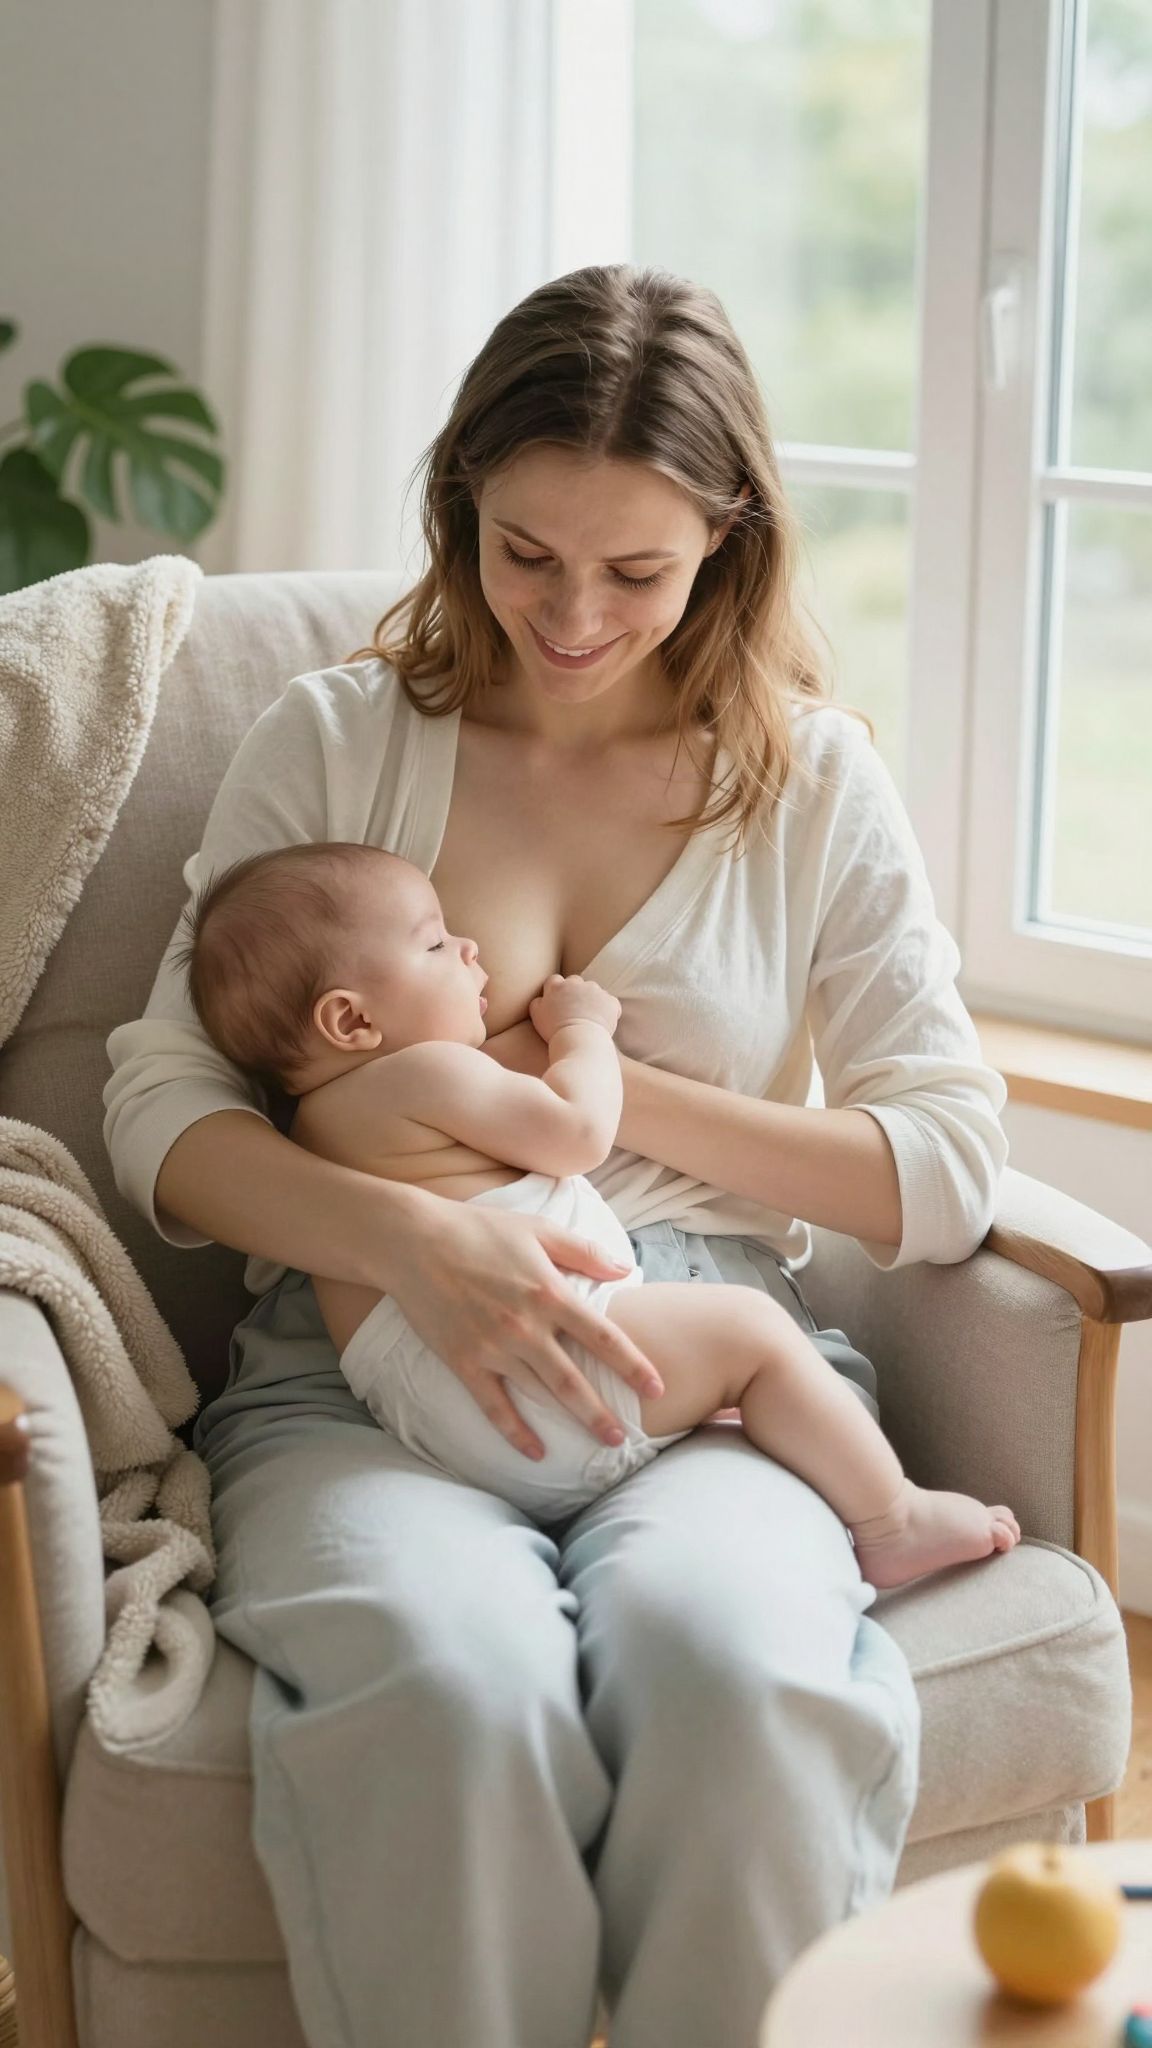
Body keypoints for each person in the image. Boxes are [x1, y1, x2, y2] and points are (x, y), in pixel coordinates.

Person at [103, 263, 1010, 2048]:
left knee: (734, 1672)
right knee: (450, 1684)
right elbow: (160, 1100)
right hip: (361, 1361)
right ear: (458, 508)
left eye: (637, 569)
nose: (574, 615)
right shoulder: (340, 739)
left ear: (728, 541)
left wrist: (597, 1086)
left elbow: (945, 1161)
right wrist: (415, 1233)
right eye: (525, 553)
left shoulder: (809, 786)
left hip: (697, 1367)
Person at [175, 837, 1021, 1588]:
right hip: (549, 1359)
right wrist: (581, 1036)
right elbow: (577, 1134)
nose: (470, 947)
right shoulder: (428, 1071)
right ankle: (890, 1518)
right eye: (435, 943)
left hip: (428, 1411)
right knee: (755, 1336)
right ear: (351, 1019)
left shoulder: (311, 1130)